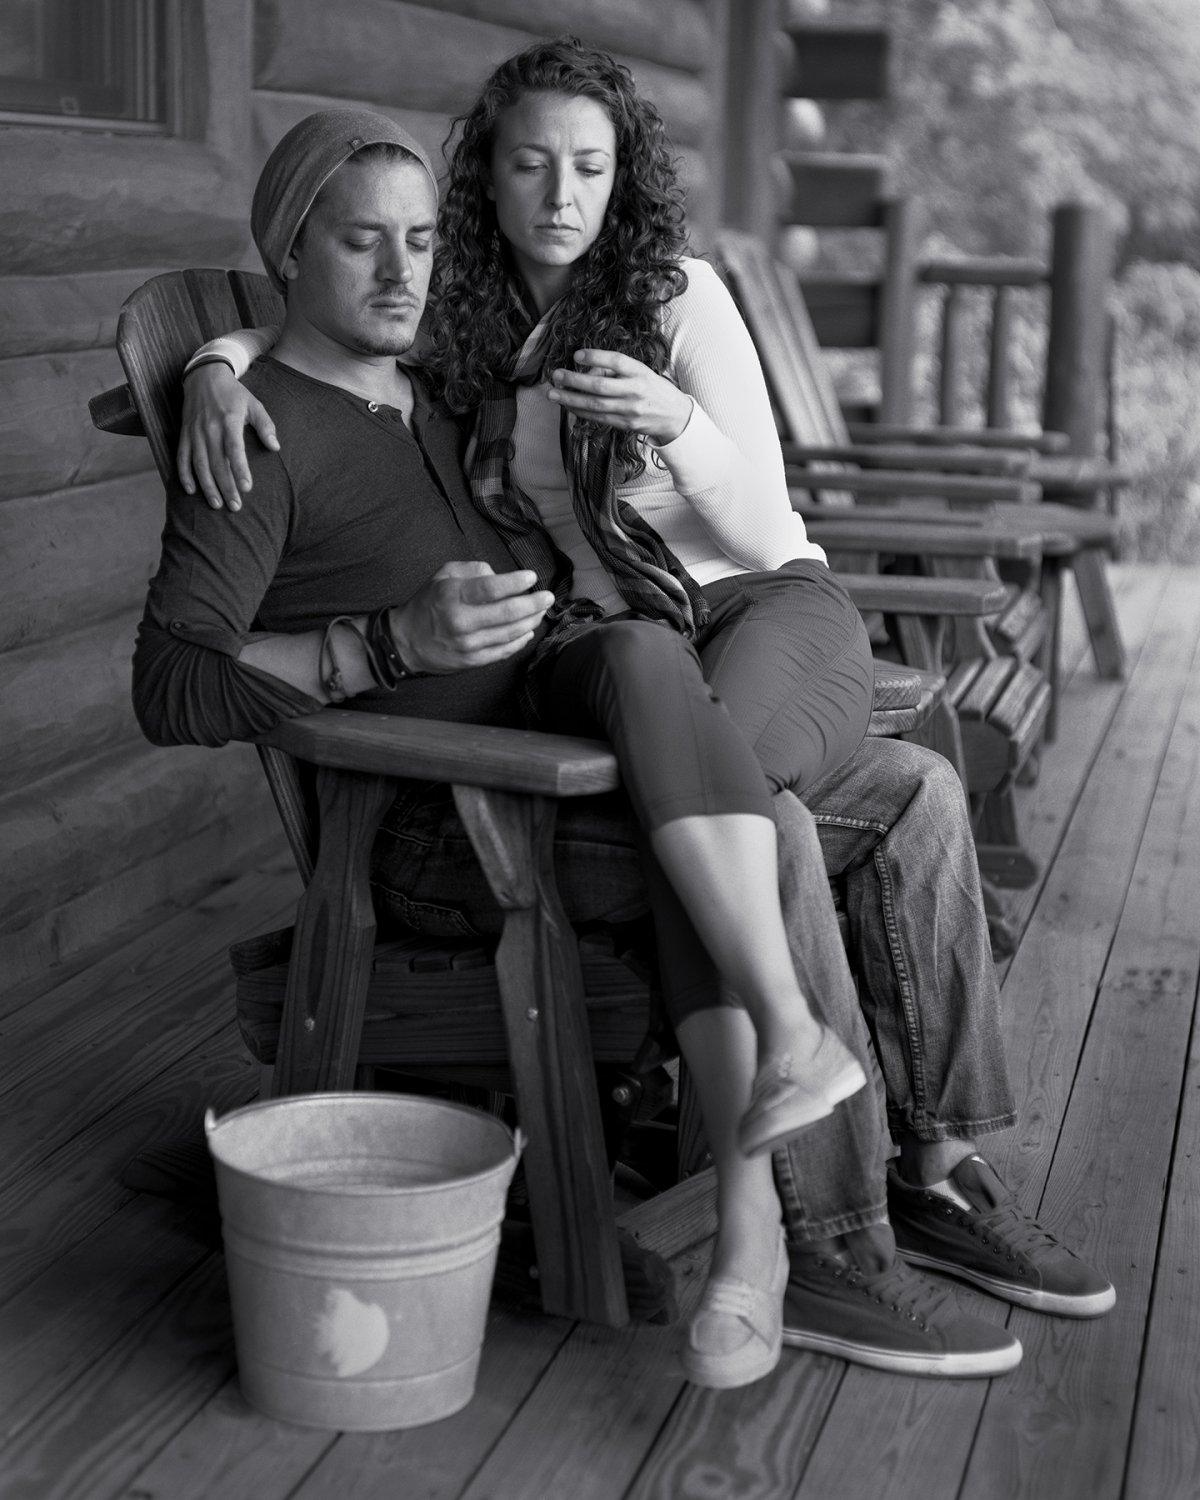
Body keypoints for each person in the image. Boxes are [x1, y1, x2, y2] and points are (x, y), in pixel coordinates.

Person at [148, 95, 1113, 1393]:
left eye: (420, 240)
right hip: (456, 823)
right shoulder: (256, 441)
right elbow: (173, 683)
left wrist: (217, 351)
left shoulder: (433, 388)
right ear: (289, 252)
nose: (400, 273)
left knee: (919, 788)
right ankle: (825, 1243)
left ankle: (931, 1168)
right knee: (767, 824)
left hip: (577, 746)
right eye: (359, 242)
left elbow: (334, 337)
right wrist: (377, 644)